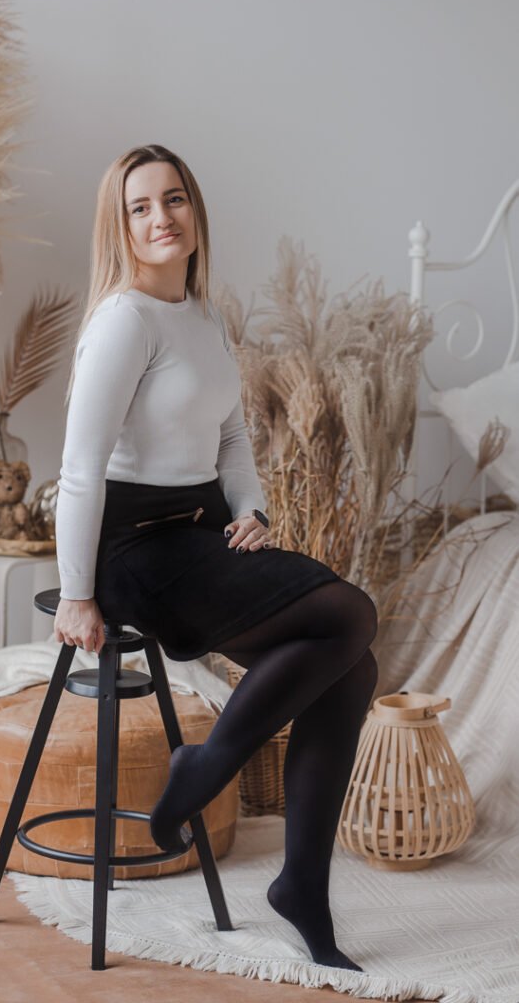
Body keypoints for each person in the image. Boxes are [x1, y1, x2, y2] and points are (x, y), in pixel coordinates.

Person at [54, 143, 378, 973]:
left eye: (173, 199)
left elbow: (231, 437)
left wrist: (250, 511)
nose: (160, 217)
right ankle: (207, 766)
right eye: (139, 207)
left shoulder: (201, 316)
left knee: (353, 663)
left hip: (198, 533)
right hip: (129, 549)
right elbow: (80, 469)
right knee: (349, 615)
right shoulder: (124, 321)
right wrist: (77, 594)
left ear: (194, 210)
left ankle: (301, 886)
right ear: (119, 227)